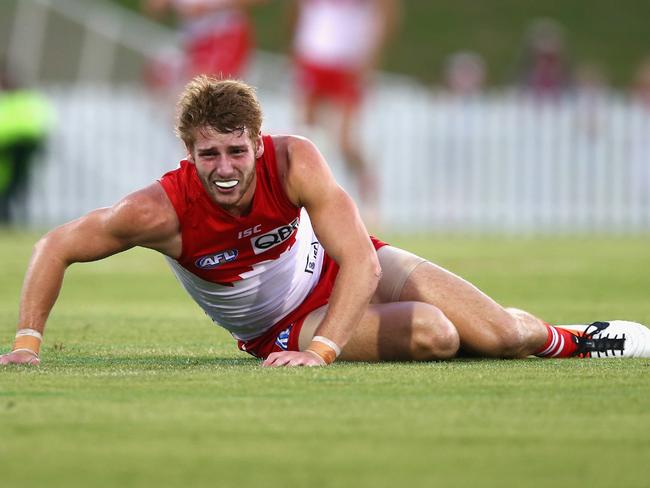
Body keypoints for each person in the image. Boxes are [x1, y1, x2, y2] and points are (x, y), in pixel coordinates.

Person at [2, 76, 649, 367]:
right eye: (209, 155)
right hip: (285, 324)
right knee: (437, 335)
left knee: (504, 335)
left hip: (348, 267)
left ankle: (575, 338)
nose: (224, 167)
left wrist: (325, 353)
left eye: (235, 150)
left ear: (257, 143)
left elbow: (363, 259)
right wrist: (28, 343)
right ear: (188, 153)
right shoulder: (156, 211)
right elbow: (54, 246)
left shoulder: (296, 160)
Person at [288, 0, 400, 222]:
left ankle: (368, 202)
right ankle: (306, 206)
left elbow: (386, 12)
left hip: (347, 61)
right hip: (312, 55)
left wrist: (370, 55)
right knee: (305, 135)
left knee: (345, 141)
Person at [142, 0, 266, 89]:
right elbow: (153, 6)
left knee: (205, 89)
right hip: (194, 40)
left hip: (226, 35)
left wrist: (209, 7)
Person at [0, 66, 52, 224]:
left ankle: (9, 220)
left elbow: (36, 126)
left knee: (13, 190)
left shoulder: (26, 100)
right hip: (9, 152)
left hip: (17, 152)